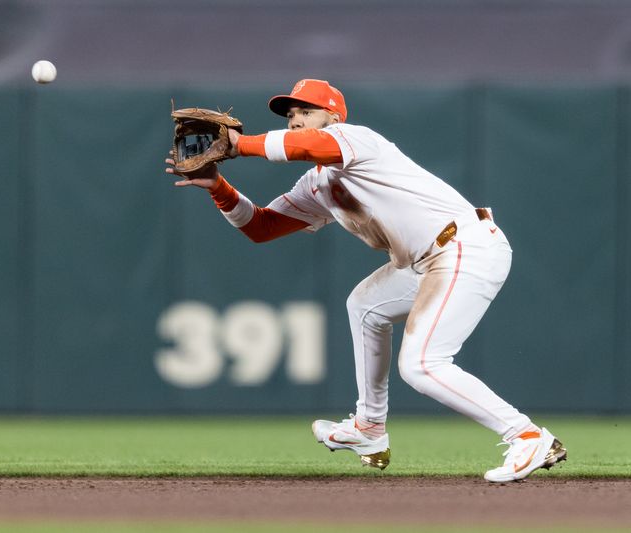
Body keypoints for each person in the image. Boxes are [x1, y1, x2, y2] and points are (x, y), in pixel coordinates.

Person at [165, 79, 567, 482]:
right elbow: (261, 227)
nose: (295, 121)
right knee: (364, 306)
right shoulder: (317, 184)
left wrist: (241, 144)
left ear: (333, 117)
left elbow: (309, 147)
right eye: (290, 115)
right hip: (427, 261)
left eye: (306, 111)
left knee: (423, 365)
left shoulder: (354, 139)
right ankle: (369, 429)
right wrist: (218, 187)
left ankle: (527, 436)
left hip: (463, 246)